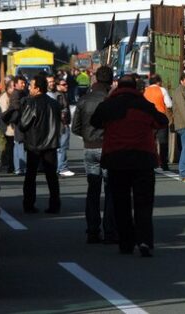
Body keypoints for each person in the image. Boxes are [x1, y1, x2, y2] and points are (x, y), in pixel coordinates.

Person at [91, 74, 168, 257]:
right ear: (136, 87)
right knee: (143, 203)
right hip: (143, 159)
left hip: (117, 159)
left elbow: (94, 122)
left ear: (117, 87)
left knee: (121, 203)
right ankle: (144, 241)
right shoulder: (144, 105)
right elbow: (162, 121)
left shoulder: (108, 105)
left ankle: (126, 242)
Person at [72, 66, 118, 244]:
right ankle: (109, 230)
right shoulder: (111, 100)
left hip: (89, 147)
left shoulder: (84, 100)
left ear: (96, 80)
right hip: (107, 147)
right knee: (110, 190)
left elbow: (75, 127)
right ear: (110, 81)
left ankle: (92, 230)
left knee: (93, 190)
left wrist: (87, 136)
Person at [19, 74, 62, 214]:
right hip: (51, 143)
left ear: (37, 88)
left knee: (31, 176)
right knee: (52, 176)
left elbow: (23, 124)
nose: (29, 88)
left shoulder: (31, 103)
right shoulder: (54, 103)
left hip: (34, 144)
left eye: (31, 86)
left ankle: (29, 204)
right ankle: (55, 205)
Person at [143, 74, 173, 171]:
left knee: (150, 141)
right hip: (160, 118)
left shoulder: (145, 91)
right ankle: (164, 163)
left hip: (148, 119)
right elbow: (169, 104)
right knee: (163, 142)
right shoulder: (162, 90)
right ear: (158, 82)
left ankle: (150, 161)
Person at [5, 75, 28, 176]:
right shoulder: (17, 94)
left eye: (24, 82)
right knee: (20, 144)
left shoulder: (22, 93)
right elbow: (16, 107)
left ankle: (19, 168)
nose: (23, 84)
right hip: (19, 122)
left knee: (18, 144)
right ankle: (20, 168)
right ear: (15, 85)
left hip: (18, 122)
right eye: (21, 83)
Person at [55, 77, 74, 177]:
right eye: (63, 84)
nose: (66, 86)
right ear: (57, 86)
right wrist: (63, 117)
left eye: (66, 84)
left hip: (63, 124)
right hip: (62, 125)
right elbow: (58, 110)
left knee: (61, 147)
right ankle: (62, 167)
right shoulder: (58, 96)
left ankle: (60, 167)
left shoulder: (63, 94)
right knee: (62, 147)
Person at [0, 77, 15, 174]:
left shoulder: (14, 97)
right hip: (7, 127)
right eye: (12, 87)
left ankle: (11, 165)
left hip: (12, 127)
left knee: (11, 147)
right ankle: (9, 165)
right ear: (8, 89)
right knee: (8, 146)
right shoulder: (4, 98)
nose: (13, 90)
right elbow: (4, 114)